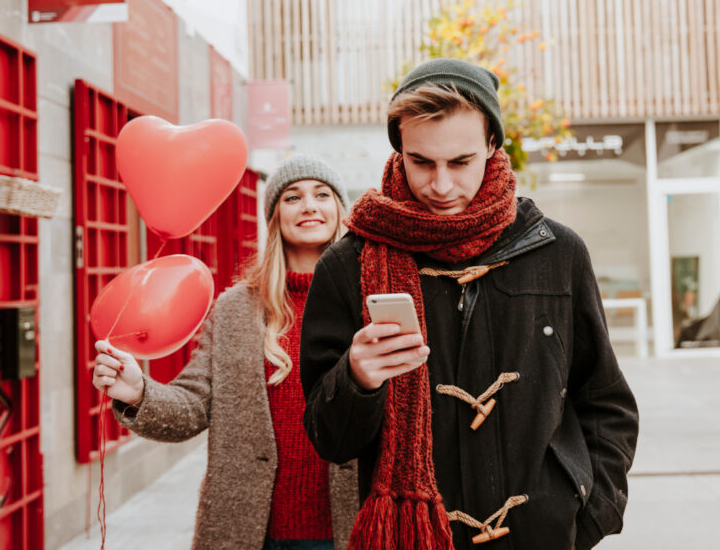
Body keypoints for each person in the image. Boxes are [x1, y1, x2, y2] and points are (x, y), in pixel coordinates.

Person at [300, 58, 640, 550]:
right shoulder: (347, 263)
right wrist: (357, 379)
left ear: (492, 146)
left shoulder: (558, 252)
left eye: (460, 162)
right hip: (418, 539)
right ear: (399, 149)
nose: (441, 186)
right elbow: (330, 440)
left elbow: (606, 401)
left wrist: (586, 514)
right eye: (421, 162)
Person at [92, 155, 359, 550]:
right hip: (248, 530)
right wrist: (138, 392)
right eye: (292, 197)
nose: (309, 205)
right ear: (274, 217)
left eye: (322, 194)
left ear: (339, 210)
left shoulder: (365, 298)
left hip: (351, 525)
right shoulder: (234, 307)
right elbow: (194, 405)